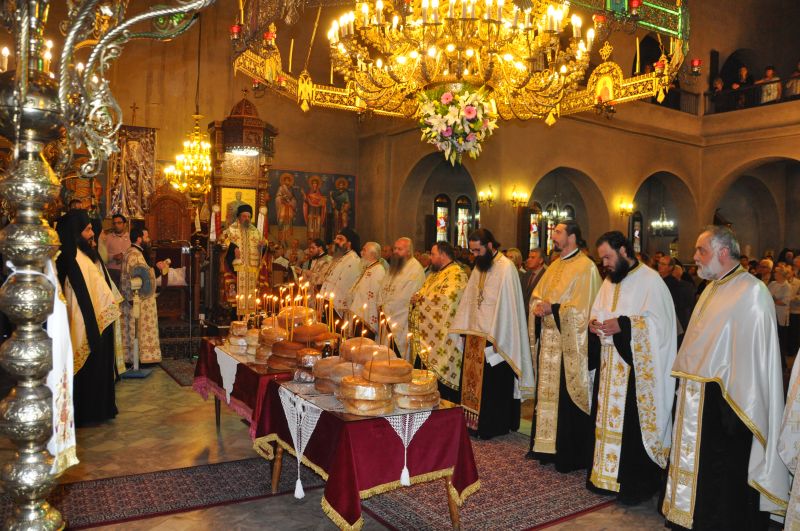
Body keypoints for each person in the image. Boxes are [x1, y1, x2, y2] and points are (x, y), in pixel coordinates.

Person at [663, 226, 789, 530]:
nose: (694, 258)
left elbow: (755, 360)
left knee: (724, 472)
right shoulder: (712, 287)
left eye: (700, 251)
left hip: (731, 403)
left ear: (722, 252)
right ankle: (692, 515)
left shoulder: (752, 292)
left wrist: (729, 395)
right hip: (700, 397)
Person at [588, 232, 677, 504]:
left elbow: (661, 328)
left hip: (634, 373)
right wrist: (593, 323)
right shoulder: (609, 281)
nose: (604, 264)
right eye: (602, 258)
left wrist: (624, 326)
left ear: (624, 250)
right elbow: (598, 310)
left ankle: (634, 483)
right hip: (609, 366)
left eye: (608, 257)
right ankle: (605, 476)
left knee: (631, 429)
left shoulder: (651, 281)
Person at [529, 220, 601, 471]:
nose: (553, 235)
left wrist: (555, 308)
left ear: (572, 236)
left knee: (565, 397)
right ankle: (545, 447)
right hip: (548, 341)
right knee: (546, 395)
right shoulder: (555, 265)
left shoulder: (587, 267)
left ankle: (567, 454)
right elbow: (538, 294)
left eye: (558, 232)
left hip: (567, 345)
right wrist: (537, 305)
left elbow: (585, 310)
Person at [450, 229, 534, 439]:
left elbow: (509, 309)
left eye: (478, 250)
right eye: (472, 251)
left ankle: (493, 425)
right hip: (474, 336)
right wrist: (463, 329)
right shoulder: (479, 267)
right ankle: (472, 424)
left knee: (493, 386)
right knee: (472, 383)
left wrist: (501, 336)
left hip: (495, 338)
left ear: (489, 245)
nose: (474, 255)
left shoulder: (506, 268)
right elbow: (469, 301)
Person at [56, 209, 123, 426]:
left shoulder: (84, 254)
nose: (91, 233)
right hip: (88, 326)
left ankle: (101, 409)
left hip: (100, 320)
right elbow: (79, 300)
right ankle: (89, 413)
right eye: (86, 230)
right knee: (90, 371)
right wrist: (93, 331)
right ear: (76, 233)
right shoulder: (73, 257)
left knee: (100, 369)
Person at [409, 241, 468, 404]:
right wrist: (417, 297)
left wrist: (421, 300)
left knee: (443, 382)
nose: (430, 258)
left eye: (433, 254)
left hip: (444, 338)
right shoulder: (436, 274)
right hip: (430, 337)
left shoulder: (457, 274)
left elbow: (447, 302)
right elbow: (424, 292)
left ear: (442, 254)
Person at [120, 227, 164, 365]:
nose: (148, 239)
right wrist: (157, 269)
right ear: (139, 238)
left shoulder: (130, 252)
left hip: (132, 300)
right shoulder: (135, 255)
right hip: (139, 301)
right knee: (139, 329)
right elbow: (141, 279)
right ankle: (142, 358)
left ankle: (134, 358)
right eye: (146, 237)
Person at [378, 237, 426, 357]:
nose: (395, 252)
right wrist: (380, 304)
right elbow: (382, 286)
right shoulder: (394, 266)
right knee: (385, 353)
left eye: (399, 249)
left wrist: (386, 309)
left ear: (409, 251)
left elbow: (405, 298)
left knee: (398, 353)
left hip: (401, 319)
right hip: (386, 316)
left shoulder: (415, 269)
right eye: (395, 248)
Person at [222, 204, 267, 315]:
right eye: (244, 216)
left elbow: (263, 245)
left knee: (252, 296)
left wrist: (263, 245)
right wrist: (233, 248)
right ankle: (235, 317)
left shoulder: (256, 231)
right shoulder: (231, 229)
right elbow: (222, 241)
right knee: (237, 296)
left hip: (252, 268)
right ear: (239, 217)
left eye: (248, 216)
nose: (247, 218)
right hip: (237, 269)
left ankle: (251, 317)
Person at [320, 227, 362, 322]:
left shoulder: (354, 260)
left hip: (337, 306)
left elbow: (345, 285)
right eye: (336, 238)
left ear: (349, 243)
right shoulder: (342, 257)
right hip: (329, 303)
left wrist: (332, 301)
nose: (336, 241)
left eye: (340, 239)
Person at [348, 242, 385, 337]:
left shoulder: (379, 270)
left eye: (364, 250)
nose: (361, 252)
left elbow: (375, 296)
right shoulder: (368, 268)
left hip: (367, 317)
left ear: (372, 254)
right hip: (359, 314)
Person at [657, 256, 694, 344]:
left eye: (663, 264)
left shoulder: (671, 283)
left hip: (671, 322)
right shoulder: (660, 280)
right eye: (659, 263)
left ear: (670, 267)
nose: (659, 266)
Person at [98, 213, 130, 288]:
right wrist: (113, 256)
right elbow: (102, 256)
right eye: (114, 223)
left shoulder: (130, 237)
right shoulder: (107, 238)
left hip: (127, 270)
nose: (116, 225)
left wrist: (124, 255)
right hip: (112, 270)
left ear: (125, 224)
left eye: (119, 223)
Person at [769, 264, 792, 357]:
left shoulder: (787, 286)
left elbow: (784, 302)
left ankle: (782, 363)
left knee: (780, 340)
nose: (774, 274)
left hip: (781, 316)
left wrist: (772, 299)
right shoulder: (772, 284)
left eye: (776, 272)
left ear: (782, 275)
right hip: (771, 314)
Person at [520, 248, 546, 318]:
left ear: (541, 260)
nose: (528, 260)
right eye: (529, 257)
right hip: (523, 315)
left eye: (533, 258)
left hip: (536, 316)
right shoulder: (526, 275)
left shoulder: (546, 275)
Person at [301, 176, 327, 240]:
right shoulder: (309, 193)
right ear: (312, 185)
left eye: (315, 183)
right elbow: (306, 201)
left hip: (317, 213)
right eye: (313, 183)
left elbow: (322, 202)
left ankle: (317, 241)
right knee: (310, 227)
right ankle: (310, 241)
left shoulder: (320, 194)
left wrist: (322, 201)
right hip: (311, 212)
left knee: (317, 228)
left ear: (317, 185)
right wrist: (304, 195)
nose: (314, 184)